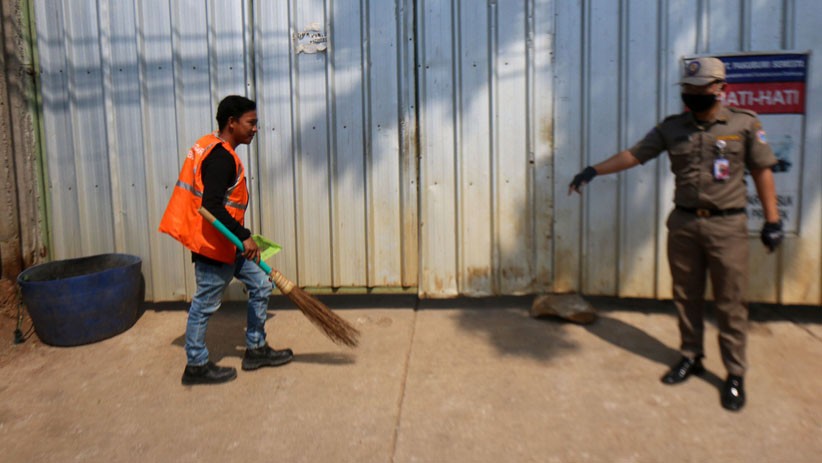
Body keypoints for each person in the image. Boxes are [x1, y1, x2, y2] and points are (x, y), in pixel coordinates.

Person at [569, 57, 784, 411]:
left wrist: (772, 221)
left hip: (727, 226)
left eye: (702, 89)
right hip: (683, 225)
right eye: (689, 89)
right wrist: (593, 170)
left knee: (730, 302)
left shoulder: (744, 124)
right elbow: (635, 155)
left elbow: (762, 170)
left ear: (720, 88)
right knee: (687, 295)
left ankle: (734, 372)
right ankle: (691, 355)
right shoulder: (672, 128)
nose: (695, 94)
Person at [159, 95, 293, 385]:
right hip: (213, 247)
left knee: (260, 284)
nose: (256, 129)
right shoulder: (221, 158)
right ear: (232, 123)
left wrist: (240, 239)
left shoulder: (213, 146)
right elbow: (211, 206)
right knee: (204, 304)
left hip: (228, 244)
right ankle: (195, 364)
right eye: (251, 123)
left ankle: (256, 348)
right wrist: (245, 237)